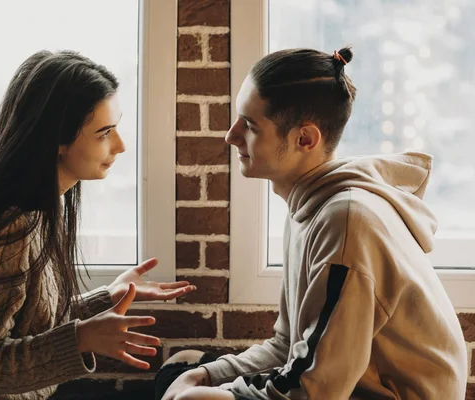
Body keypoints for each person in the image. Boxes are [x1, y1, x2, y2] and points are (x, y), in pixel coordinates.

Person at [159, 47, 468, 400]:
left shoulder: (346, 224)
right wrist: (206, 374)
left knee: (192, 396)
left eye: (250, 125)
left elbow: (316, 389)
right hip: (341, 387)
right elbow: (288, 346)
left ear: (305, 139)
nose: (230, 136)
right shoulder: (310, 204)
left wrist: (217, 392)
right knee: (184, 368)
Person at [0, 50, 196, 399]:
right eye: (104, 132)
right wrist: (81, 337)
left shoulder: (40, 205)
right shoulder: (10, 224)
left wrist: (106, 299)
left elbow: (28, 320)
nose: (121, 145)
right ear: (58, 141)